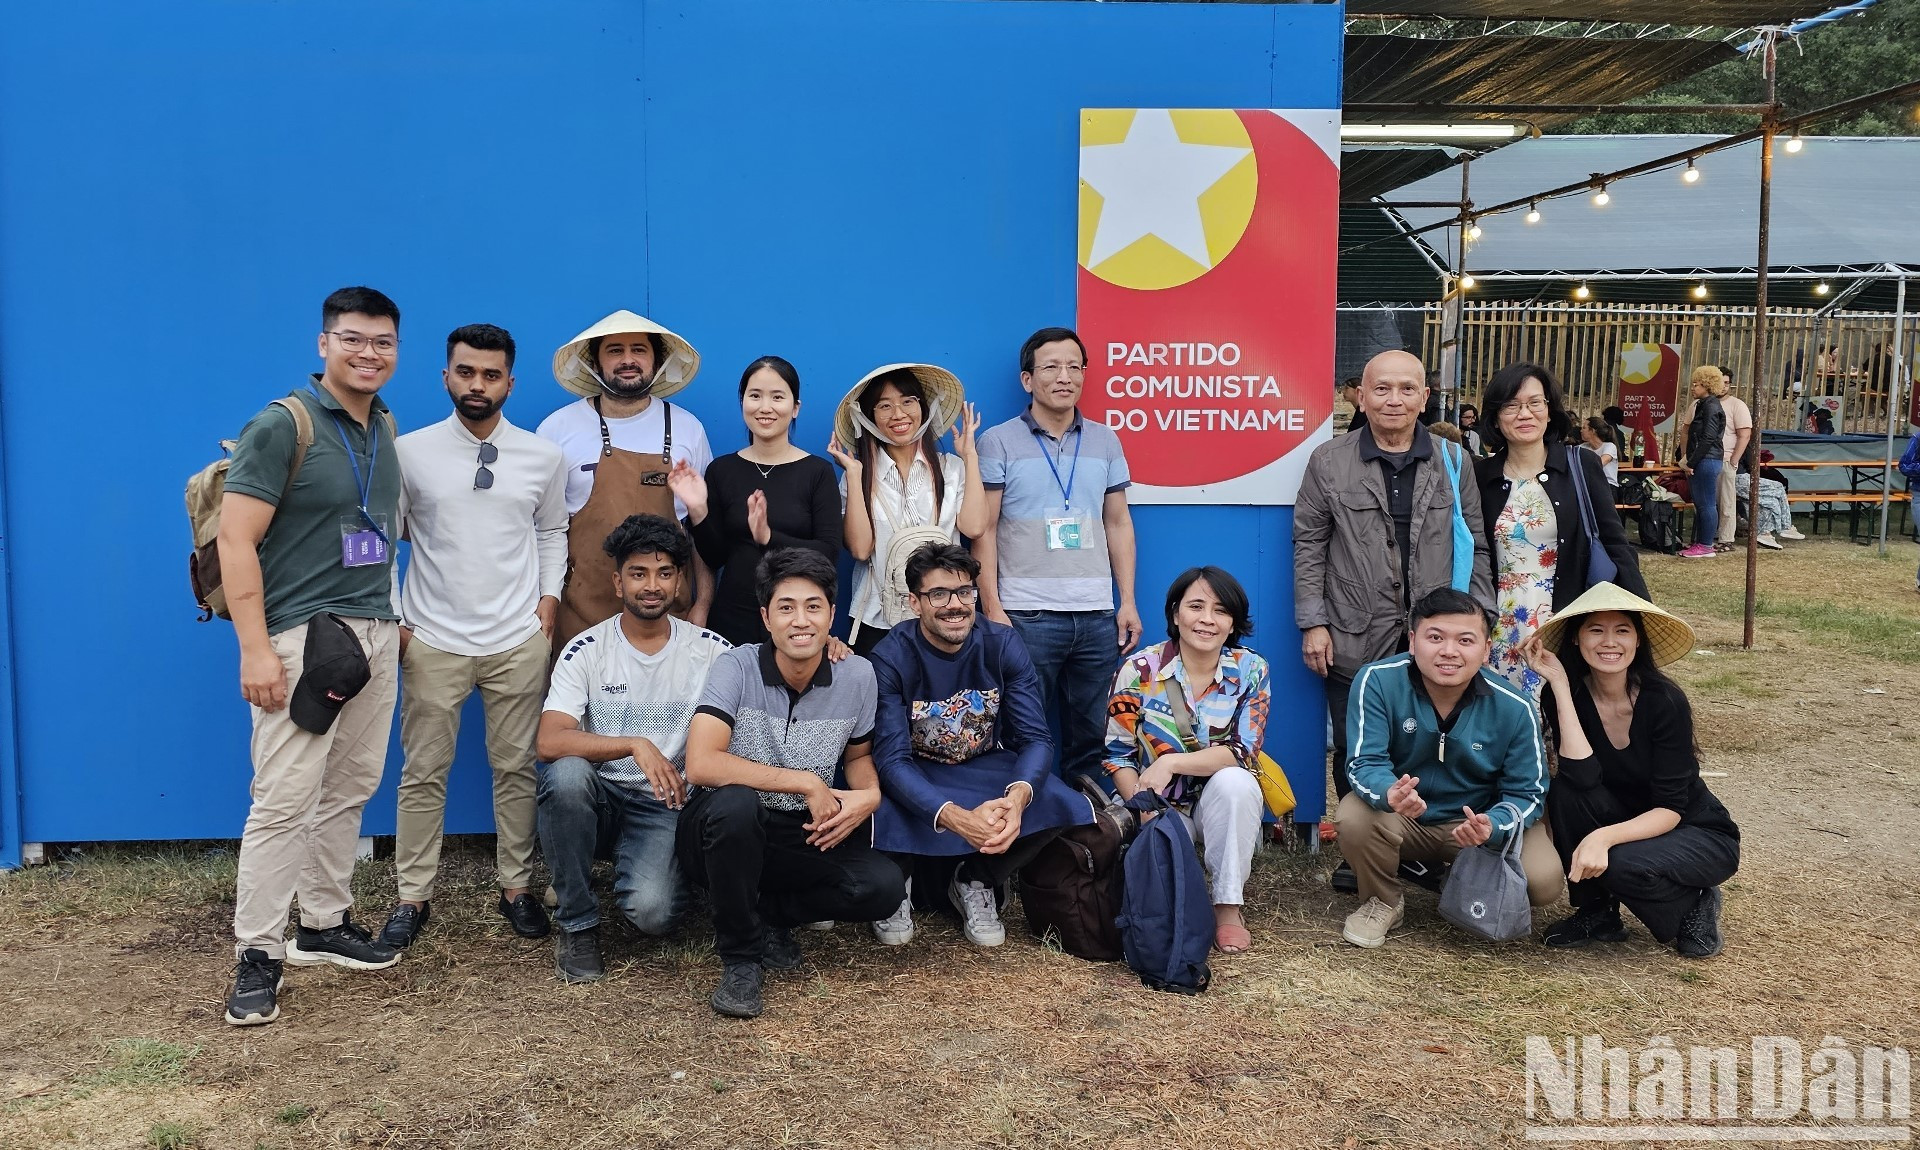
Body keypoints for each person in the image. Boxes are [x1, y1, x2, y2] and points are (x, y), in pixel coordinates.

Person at [216, 287, 406, 1026]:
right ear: (324, 343)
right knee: (284, 798)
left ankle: (323, 923)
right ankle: (256, 952)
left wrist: (393, 625)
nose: (369, 354)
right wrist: (255, 650)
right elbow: (236, 539)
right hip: (300, 637)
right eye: (354, 339)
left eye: (384, 342)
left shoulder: (382, 423)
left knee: (351, 786)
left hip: (374, 632)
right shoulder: (282, 424)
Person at [380, 324, 568, 949]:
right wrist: (396, 618)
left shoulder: (542, 456)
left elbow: (550, 533)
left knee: (515, 767)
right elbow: (383, 539)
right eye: (466, 372)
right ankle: (413, 897)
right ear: (446, 377)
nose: (478, 385)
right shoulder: (410, 452)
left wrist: (548, 603)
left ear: (511, 382)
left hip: (517, 637)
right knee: (423, 771)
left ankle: (517, 887)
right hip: (432, 636)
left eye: (491, 375)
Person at [1294, 349, 1493, 889]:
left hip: (1437, 630)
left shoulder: (1454, 461)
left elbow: (1475, 541)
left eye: (1407, 388)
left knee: (1432, 739)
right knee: (1358, 740)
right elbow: (1309, 544)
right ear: (1361, 394)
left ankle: (1418, 847)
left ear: (1425, 397)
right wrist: (1314, 622)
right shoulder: (1329, 462)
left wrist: (1481, 622)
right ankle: (1360, 852)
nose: (1393, 399)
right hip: (1354, 627)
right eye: (1381, 388)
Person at [680, 548, 906, 1019]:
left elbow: (859, 755)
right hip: (721, 829)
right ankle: (741, 958)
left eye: (813, 606)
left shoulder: (858, 674)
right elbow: (701, 764)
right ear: (765, 617)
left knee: (882, 887)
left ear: (830, 615)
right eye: (786, 607)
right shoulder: (736, 666)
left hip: (802, 831)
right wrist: (804, 781)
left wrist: (869, 795)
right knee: (736, 807)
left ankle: (768, 916)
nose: (800, 620)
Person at [534, 514, 732, 983]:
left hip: (666, 805)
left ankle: (639, 865)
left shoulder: (712, 651)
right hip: (598, 799)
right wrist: (633, 744)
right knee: (565, 776)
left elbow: (767, 682)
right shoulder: (586, 649)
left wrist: (828, 644)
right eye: (639, 573)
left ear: (680, 581)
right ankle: (578, 925)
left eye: (664, 574)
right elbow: (549, 740)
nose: (652, 586)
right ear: (617, 582)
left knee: (654, 915)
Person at [866, 542, 1093, 948]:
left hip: (984, 766)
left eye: (965, 592)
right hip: (918, 771)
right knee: (879, 796)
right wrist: (952, 816)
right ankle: (897, 883)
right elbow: (891, 759)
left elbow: (1035, 738)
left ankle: (976, 879)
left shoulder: (1002, 643)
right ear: (914, 602)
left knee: (1059, 798)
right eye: (939, 594)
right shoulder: (890, 656)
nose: (955, 605)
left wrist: (1017, 797)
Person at [1336, 588, 1565, 949]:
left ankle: (1459, 877)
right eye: (1435, 637)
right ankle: (1382, 901)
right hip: (1405, 819)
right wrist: (1389, 793)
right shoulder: (1378, 680)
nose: (1448, 651)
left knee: (1545, 881)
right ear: (1413, 641)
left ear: (1486, 649)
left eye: (1465, 640)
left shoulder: (1514, 707)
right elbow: (1365, 762)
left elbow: (1529, 792)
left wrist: (1494, 824)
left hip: (1475, 825)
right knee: (1353, 815)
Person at [1522, 583, 1739, 959]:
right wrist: (1558, 683)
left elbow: (1671, 808)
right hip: (1623, 816)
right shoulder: (1566, 692)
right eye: (1595, 630)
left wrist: (1602, 839)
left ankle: (1696, 903)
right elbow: (1582, 776)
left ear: (1638, 641)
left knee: (1618, 865)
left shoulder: (1664, 701)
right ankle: (1597, 912)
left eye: (1622, 630)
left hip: (1694, 829)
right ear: (1576, 640)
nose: (1609, 642)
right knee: (1567, 791)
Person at [977, 326, 1141, 792]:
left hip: (1095, 615)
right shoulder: (998, 442)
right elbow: (983, 530)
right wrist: (992, 607)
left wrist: (1125, 600)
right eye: (1051, 366)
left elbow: (1118, 524)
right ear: (1028, 380)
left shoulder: (1106, 441)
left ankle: (1083, 846)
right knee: (1021, 733)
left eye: (1074, 366)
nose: (1064, 376)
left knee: (1092, 738)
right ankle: (1025, 841)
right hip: (1026, 614)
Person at [1104, 566, 1271, 953]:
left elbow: (1242, 751)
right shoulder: (1139, 669)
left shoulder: (1251, 670)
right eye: (1196, 606)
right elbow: (1117, 754)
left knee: (1237, 783)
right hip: (1154, 800)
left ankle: (1228, 906)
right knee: (1167, 901)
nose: (1207, 620)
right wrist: (1144, 808)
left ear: (1233, 624)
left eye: (1220, 611)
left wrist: (1171, 763)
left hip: (1214, 798)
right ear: (1176, 613)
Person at [537, 310, 715, 645]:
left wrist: (702, 604)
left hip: (668, 618)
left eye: (639, 349)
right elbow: (543, 530)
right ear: (596, 362)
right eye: (615, 350)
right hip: (579, 617)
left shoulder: (688, 429)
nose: (628, 360)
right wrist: (544, 601)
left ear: (657, 360)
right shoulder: (557, 429)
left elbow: (700, 527)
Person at [1472, 362, 1647, 697]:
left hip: (1566, 614)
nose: (1525, 414)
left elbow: (1614, 542)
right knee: (1507, 711)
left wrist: (1641, 618)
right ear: (1495, 417)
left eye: (1535, 403)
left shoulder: (1581, 464)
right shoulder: (1482, 477)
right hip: (1502, 619)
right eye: (1511, 405)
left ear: (1550, 411)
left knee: (1565, 708)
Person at [672, 356, 842, 646]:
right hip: (731, 616)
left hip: (795, 620)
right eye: (755, 396)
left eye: (777, 397)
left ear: (795, 407)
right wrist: (698, 510)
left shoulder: (818, 471)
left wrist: (768, 537)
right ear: (743, 405)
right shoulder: (722, 470)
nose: (765, 407)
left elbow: (828, 553)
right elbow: (715, 557)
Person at [826, 363, 987, 655]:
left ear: (924, 408)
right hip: (878, 618)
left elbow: (974, 527)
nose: (898, 414)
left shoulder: (952, 468)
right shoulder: (857, 476)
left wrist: (969, 455)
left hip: (946, 613)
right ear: (868, 416)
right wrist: (852, 474)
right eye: (884, 405)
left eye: (908, 402)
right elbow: (861, 550)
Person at [1677, 366, 1727, 559]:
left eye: (1696, 384)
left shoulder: (1711, 406)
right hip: (1704, 458)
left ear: (1707, 385)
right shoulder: (1704, 404)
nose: (1693, 388)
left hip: (1707, 459)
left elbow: (1708, 437)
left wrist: (1692, 461)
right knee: (1702, 502)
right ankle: (1702, 542)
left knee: (1706, 503)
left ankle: (1706, 545)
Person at [1704, 366, 1753, 553]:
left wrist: (1734, 460)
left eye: (1727, 383)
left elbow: (1744, 435)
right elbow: (1686, 430)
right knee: (1708, 501)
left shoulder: (1737, 405)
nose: (1723, 387)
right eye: (1720, 382)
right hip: (1705, 459)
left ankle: (1726, 539)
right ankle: (1707, 536)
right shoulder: (1701, 403)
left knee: (1726, 502)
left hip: (1725, 459)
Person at [1581, 416, 1620, 493]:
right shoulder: (1582, 447)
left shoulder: (1609, 446)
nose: (1581, 430)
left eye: (1584, 428)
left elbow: (1599, 464)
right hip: (1589, 486)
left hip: (1608, 486)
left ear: (1593, 431)